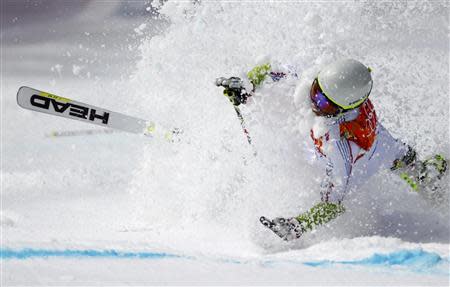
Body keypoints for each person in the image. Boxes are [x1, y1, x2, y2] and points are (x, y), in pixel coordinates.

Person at [216, 59, 447, 241]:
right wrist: (247, 84)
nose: (315, 101)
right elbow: (278, 72)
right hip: (383, 144)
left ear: (342, 110)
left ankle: (435, 173)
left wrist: (299, 225)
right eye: (317, 91)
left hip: (382, 155)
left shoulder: (341, 147)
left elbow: (333, 206)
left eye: (324, 104)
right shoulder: (330, 86)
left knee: (423, 178)